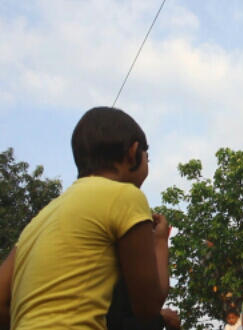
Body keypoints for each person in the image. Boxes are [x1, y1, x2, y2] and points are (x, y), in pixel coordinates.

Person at [0, 107, 170, 329]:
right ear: (133, 152)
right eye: (148, 156)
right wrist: (159, 241)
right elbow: (148, 308)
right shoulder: (126, 196)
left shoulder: (41, 219)